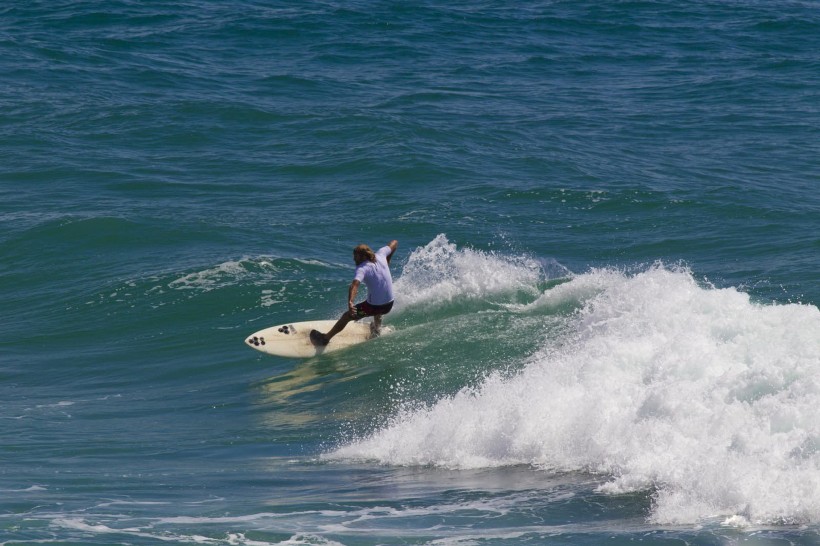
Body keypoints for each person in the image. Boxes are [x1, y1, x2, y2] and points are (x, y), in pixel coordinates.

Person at [310, 240, 398, 346]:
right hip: (389, 304)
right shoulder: (381, 254)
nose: (353, 259)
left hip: (374, 307)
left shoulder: (362, 268)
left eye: (355, 256)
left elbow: (354, 285)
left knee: (347, 316)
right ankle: (377, 329)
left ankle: (325, 338)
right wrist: (388, 260)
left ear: (362, 256)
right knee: (376, 302)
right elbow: (394, 243)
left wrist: (350, 302)